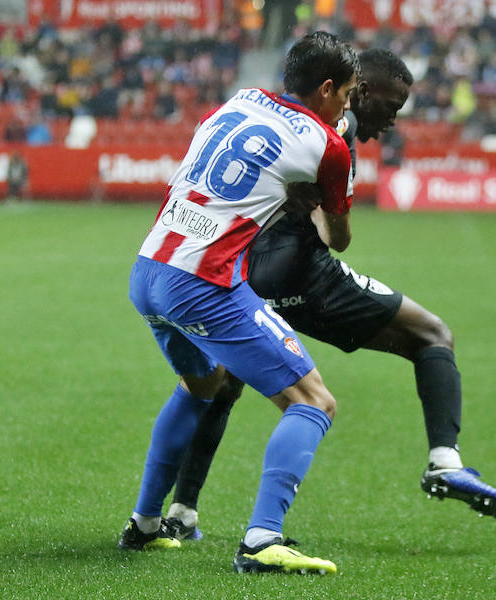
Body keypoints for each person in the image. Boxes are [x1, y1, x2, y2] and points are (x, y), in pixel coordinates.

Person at [160, 49, 496, 546]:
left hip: (242, 271)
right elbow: (334, 236)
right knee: (431, 334)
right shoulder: (336, 133)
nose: (390, 122)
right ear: (358, 92)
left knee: (223, 384)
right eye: (390, 106)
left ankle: (180, 512)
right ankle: (444, 462)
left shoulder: (282, 114)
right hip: (302, 274)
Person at [118, 31, 359, 576]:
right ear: (325, 89)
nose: (348, 103)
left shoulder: (238, 100)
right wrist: (319, 189)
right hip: (203, 280)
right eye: (346, 92)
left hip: (148, 268)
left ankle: (146, 523)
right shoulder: (330, 144)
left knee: (202, 384)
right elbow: (337, 237)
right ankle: (261, 539)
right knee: (314, 401)